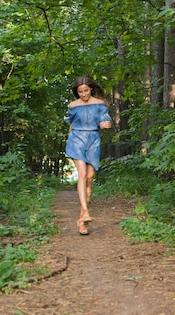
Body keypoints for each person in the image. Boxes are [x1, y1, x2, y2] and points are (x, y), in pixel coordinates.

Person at [64, 76, 111, 235]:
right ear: (76, 92)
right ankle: (85, 211)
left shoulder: (100, 104)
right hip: (76, 139)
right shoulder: (73, 105)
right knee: (82, 174)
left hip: (93, 141)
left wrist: (105, 124)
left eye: (86, 90)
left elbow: (105, 120)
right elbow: (70, 123)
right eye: (80, 92)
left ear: (91, 88)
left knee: (90, 178)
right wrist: (69, 141)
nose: (83, 94)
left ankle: (82, 220)